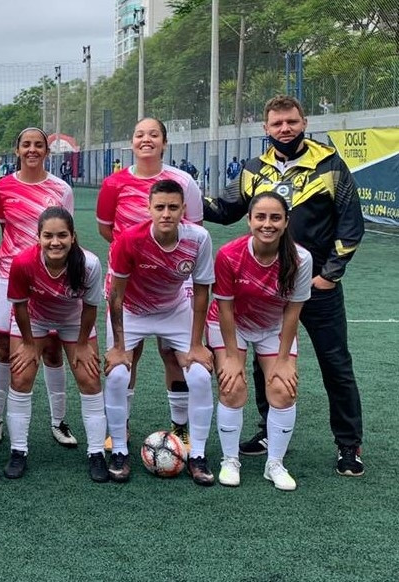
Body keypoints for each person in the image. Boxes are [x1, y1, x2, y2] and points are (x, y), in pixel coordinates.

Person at [204, 95, 366, 477]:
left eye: (291, 122)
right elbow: (227, 209)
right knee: (266, 363)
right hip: (271, 289)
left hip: (317, 284)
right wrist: (184, 200)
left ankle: (348, 444)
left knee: (336, 364)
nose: (285, 129)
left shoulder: (328, 164)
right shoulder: (253, 169)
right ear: (266, 128)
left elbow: (351, 223)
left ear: (304, 122)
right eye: (277, 124)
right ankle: (267, 431)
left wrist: (329, 274)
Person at [96, 117, 204, 451]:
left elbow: (194, 231)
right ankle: (121, 427)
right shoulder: (115, 183)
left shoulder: (182, 181)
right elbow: (106, 230)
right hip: (127, 286)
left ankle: (180, 430)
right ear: (131, 142)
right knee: (128, 355)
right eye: (140, 134)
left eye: (153, 134)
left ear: (164, 142)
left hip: (173, 286)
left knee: (174, 356)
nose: (147, 140)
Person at [105, 179, 216, 486]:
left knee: (200, 376)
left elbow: (203, 290)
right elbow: (116, 296)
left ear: (184, 209)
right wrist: (118, 346)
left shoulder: (199, 238)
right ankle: (120, 449)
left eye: (173, 207)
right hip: (132, 309)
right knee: (116, 374)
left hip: (175, 308)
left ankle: (198, 455)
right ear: (149, 209)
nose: (166, 213)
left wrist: (196, 344)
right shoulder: (130, 240)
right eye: (160, 207)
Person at [209, 192, 313, 491]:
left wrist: (283, 360)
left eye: (275, 218)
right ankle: (230, 460)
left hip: (272, 327)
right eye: (261, 217)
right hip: (232, 325)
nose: (267, 224)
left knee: (283, 389)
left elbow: (293, 311)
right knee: (232, 386)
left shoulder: (300, 258)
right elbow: (225, 308)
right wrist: (231, 356)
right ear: (249, 220)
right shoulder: (229, 254)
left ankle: (275, 464)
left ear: (286, 222)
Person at [0, 127, 76, 450]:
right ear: (17, 149)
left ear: (46, 151)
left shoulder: (61, 189)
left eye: (38, 145)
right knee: (3, 347)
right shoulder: (3, 187)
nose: (32, 150)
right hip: (9, 275)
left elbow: (65, 234)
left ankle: (58, 421)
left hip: (52, 277)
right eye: (26, 144)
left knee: (53, 348)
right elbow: (2, 228)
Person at [8, 207, 106, 481]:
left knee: (89, 378)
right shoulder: (23, 263)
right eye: (48, 236)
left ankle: (97, 453)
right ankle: (18, 451)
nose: (55, 242)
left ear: (73, 237)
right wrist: (28, 343)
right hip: (35, 319)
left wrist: (84, 343)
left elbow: (89, 308)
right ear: (38, 237)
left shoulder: (89, 264)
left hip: (74, 321)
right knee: (22, 375)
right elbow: (20, 306)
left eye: (62, 235)